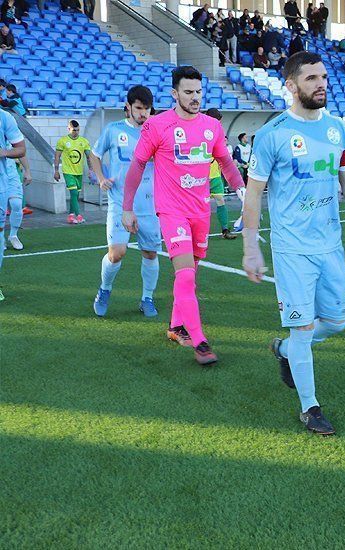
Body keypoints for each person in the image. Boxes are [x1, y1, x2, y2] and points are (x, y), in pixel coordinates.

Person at [241, 51, 345, 435]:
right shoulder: (272, 134)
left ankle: (283, 351)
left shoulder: (338, 129)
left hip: (330, 245)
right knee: (302, 328)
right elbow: (253, 194)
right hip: (291, 248)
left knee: (336, 321)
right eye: (312, 78)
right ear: (291, 85)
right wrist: (251, 247)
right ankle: (310, 407)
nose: (321, 84)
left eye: (323, 77)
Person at [122, 66, 244, 366]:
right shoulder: (158, 125)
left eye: (198, 92)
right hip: (172, 212)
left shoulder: (211, 127)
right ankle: (199, 340)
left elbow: (226, 162)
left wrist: (241, 189)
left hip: (200, 211)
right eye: (188, 92)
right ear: (174, 94)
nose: (195, 98)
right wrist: (127, 207)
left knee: (191, 274)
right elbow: (137, 166)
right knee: (186, 273)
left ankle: (176, 326)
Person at [88, 85, 162, 318]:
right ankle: (105, 289)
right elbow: (94, 154)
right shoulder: (113, 130)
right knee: (117, 253)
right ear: (128, 107)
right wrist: (100, 178)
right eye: (139, 108)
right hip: (120, 203)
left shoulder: (156, 131)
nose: (143, 114)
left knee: (150, 253)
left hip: (150, 205)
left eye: (147, 109)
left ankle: (147, 298)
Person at [0, 106, 25, 302]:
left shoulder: (5, 117)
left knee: (16, 206)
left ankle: (13, 235)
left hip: (4, 179)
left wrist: (3, 152)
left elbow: (21, 149)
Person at [203, 108, 237, 240]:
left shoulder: (218, 135)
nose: (220, 125)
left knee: (220, 201)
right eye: (218, 122)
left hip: (215, 176)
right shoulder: (199, 133)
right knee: (201, 206)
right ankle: (200, 233)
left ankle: (225, 230)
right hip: (201, 178)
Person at [54, 120, 91, 224]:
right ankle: (78, 215)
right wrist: (56, 171)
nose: (76, 132)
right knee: (74, 192)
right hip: (68, 171)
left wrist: (91, 170)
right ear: (69, 129)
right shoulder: (63, 141)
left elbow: (89, 157)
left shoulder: (84, 141)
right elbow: (57, 156)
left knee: (75, 195)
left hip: (79, 172)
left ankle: (70, 216)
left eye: (78, 130)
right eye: (74, 130)